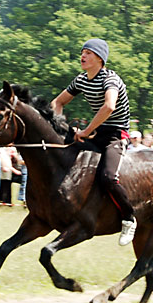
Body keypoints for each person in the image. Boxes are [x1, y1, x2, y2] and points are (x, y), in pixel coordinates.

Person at [50, 38, 136, 246]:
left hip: (115, 135)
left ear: (99, 58)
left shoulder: (111, 79)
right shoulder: (80, 80)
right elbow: (58, 102)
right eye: (83, 52)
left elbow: (109, 107)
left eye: (88, 52)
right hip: (96, 133)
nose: (83, 56)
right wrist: (58, 124)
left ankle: (129, 218)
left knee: (107, 177)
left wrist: (88, 130)